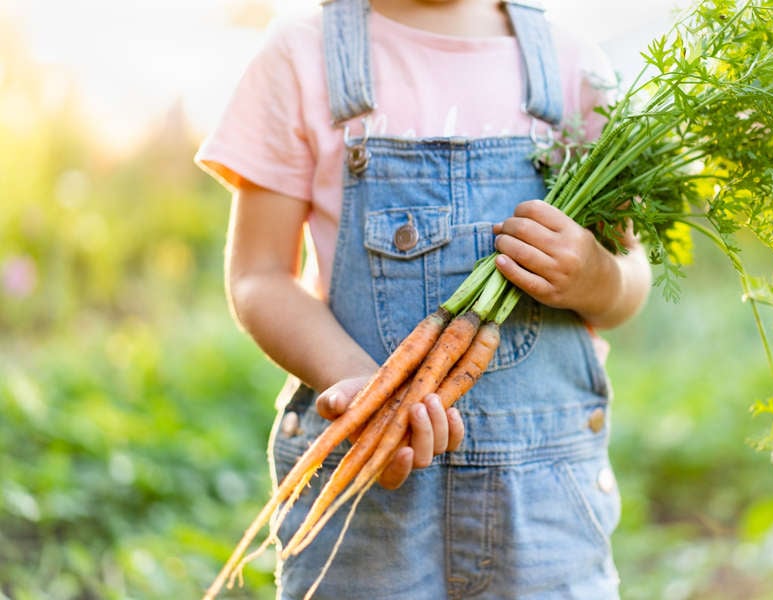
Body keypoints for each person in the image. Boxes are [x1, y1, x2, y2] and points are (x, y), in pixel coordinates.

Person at [196, 0, 651, 597]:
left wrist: (598, 279)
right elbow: (258, 275)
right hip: (365, 502)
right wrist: (361, 385)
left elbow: (631, 273)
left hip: (545, 509)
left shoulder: (573, 66)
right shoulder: (302, 55)